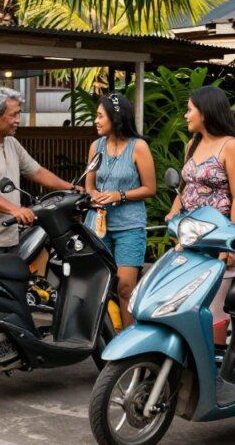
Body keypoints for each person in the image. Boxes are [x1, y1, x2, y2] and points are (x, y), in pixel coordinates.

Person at [164, 86, 235, 338]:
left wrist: (230, 243)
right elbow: (186, 185)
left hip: (217, 236)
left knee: (213, 310)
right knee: (183, 302)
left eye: (190, 110)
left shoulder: (230, 146)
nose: (186, 115)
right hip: (189, 235)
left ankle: (215, 367)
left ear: (206, 112)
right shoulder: (193, 144)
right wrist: (172, 213)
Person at [0, 87, 76, 255]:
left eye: (18, 114)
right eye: (13, 115)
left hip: (11, 237)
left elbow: (36, 172)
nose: (18, 120)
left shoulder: (11, 142)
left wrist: (71, 189)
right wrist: (16, 210)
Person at [85, 93, 156, 329]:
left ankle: (129, 344)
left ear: (115, 118)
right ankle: (102, 341)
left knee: (125, 287)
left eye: (99, 116)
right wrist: (93, 196)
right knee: (98, 287)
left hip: (129, 226)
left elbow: (150, 188)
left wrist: (120, 195)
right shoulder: (96, 146)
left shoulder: (139, 147)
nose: (95, 120)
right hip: (98, 225)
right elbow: (89, 183)